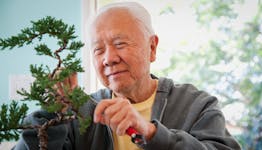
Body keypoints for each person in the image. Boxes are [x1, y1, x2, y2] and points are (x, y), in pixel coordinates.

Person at [14, 2, 241, 150]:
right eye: (98, 50)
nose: (108, 58)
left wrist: (151, 133)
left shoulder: (197, 105)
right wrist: (53, 115)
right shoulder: (78, 114)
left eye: (120, 43)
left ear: (152, 48)